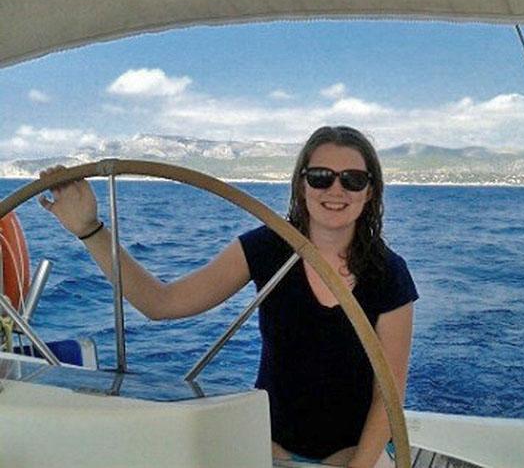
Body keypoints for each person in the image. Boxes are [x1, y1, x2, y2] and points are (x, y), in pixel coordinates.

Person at [39, 125, 418, 468]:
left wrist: (357, 466)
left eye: (352, 180)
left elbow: (388, 395)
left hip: (354, 454)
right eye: (320, 177)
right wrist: (90, 230)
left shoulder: (389, 274)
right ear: (302, 186)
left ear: (370, 192)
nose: (335, 190)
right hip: (269, 446)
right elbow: (161, 303)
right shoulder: (266, 249)